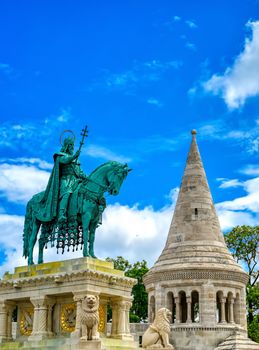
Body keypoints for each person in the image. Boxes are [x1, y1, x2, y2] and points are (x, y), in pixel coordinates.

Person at [36, 136, 87, 223]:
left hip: (76, 181)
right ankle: (61, 214)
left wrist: (87, 178)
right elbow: (65, 161)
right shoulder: (60, 156)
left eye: (73, 145)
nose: (72, 147)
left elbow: (80, 172)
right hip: (65, 180)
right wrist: (74, 156)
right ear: (66, 146)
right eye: (70, 145)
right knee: (67, 192)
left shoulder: (76, 161)